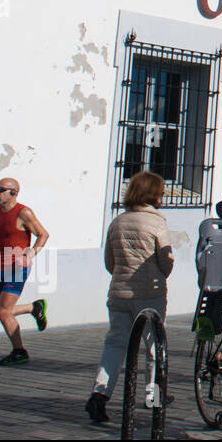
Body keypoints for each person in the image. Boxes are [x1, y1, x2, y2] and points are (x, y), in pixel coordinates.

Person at [86, 170, 175, 424]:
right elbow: (165, 262)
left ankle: (99, 395)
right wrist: (160, 275)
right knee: (153, 346)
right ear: (155, 194)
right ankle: (153, 395)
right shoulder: (157, 222)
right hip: (149, 293)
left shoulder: (118, 221)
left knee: (115, 344)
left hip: (119, 291)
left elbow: (109, 262)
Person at [0, 177, 49, 365]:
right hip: (1, 266)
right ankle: (33, 308)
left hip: (18, 269)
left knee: (3, 312)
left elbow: (43, 234)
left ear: (14, 192)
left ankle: (20, 351)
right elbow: (1, 236)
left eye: (1, 190)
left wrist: (30, 254)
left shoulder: (23, 212)